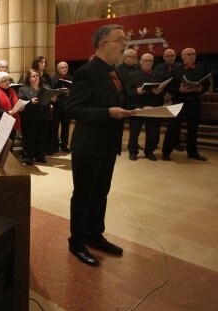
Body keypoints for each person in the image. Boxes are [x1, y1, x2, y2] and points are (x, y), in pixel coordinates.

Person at [65, 24, 134, 267]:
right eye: (120, 40)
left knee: (100, 193)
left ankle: (94, 235)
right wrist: (108, 113)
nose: (125, 44)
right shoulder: (88, 72)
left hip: (107, 145)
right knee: (83, 196)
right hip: (88, 146)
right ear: (102, 44)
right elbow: (72, 108)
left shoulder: (114, 72)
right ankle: (77, 242)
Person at [161, 48, 210, 161]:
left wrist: (201, 89)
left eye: (193, 54)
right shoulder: (175, 70)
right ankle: (166, 152)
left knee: (193, 128)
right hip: (179, 101)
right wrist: (179, 90)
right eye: (189, 54)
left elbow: (206, 85)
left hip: (194, 102)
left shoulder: (201, 69)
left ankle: (192, 152)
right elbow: (168, 87)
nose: (192, 56)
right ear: (183, 57)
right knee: (173, 127)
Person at [126, 53, 164, 161]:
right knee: (134, 131)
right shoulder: (132, 75)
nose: (148, 62)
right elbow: (127, 91)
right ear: (141, 62)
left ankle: (149, 152)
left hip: (153, 107)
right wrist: (136, 91)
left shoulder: (159, 75)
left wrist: (159, 92)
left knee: (152, 131)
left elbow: (164, 92)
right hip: (137, 106)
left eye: (150, 61)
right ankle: (133, 152)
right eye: (146, 60)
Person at [18, 69, 54, 165]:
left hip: (43, 116)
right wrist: (30, 102)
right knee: (30, 138)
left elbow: (49, 100)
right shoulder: (23, 89)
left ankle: (40, 156)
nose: (35, 78)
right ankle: (28, 158)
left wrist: (52, 100)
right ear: (29, 78)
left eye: (37, 76)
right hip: (30, 117)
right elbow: (20, 103)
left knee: (42, 137)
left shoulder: (45, 88)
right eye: (33, 76)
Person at [0, 71, 22, 140]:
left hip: (12, 121)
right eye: (4, 81)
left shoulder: (12, 90)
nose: (7, 82)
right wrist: (7, 112)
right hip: (1, 122)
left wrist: (20, 107)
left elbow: (15, 103)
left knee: (11, 142)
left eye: (8, 80)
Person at [50, 61, 72, 153]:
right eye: (62, 68)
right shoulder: (54, 79)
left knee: (66, 125)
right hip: (57, 104)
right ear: (58, 69)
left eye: (66, 67)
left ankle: (64, 144)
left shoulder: (71, 78)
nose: (64, 69)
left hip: (67, 104)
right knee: (55, 125)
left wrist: (70, 92)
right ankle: (55, 144)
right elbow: (51, 91)